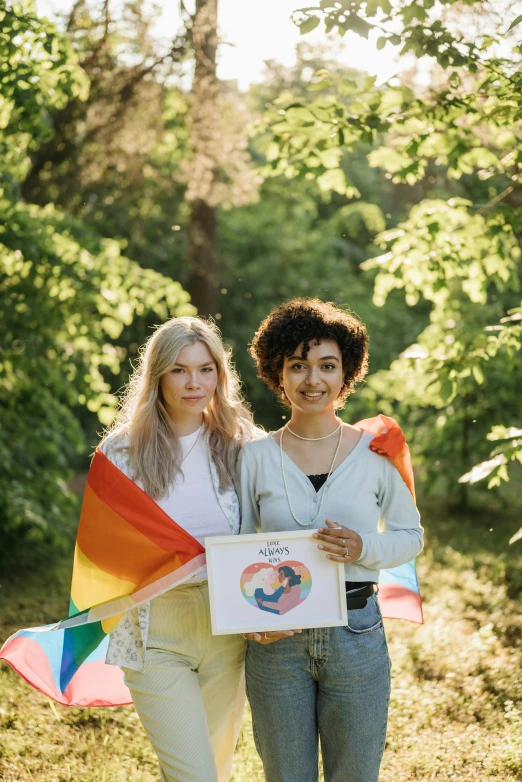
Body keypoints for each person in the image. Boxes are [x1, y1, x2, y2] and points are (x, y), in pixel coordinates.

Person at [237, 298, 424, 782]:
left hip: (357, 633)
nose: (312, 379)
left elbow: (411, 537)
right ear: (277, 372)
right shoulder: (253, 457)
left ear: (347, 373)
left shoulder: (378, 454)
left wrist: (365, 548)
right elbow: (235, 550)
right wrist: (251, 623)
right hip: (277, 637)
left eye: (326, 365)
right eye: (298, 366)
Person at [100, 316, 255, 782]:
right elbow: (105, 552)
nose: (194, 383)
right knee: (195, 776)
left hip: (228, 627)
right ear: (158, 375)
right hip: (154, 629)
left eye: (206, 369)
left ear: (220, 375)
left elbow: (274, 531)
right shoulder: (120, 454)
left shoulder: (245, 446)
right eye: (179, 370)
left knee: (215, 768)